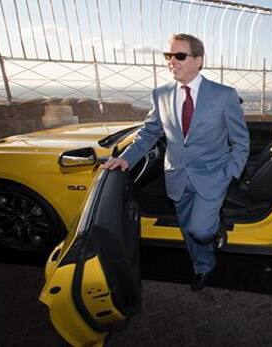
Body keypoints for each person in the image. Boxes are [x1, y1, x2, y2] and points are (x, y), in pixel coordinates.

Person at [103, 33, 249, 292]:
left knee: (201, 230)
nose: (172, 61)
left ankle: (213, 228)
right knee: (189, 230)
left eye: (179, 55)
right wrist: (125, 159)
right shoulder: (160, 94)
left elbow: (241, 141)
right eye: (168, 55)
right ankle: (202, 266)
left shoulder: (224, 95)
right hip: (177, 176)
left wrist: (230, 174)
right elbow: (149, 133)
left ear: (198, 60)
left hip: (214, 175)